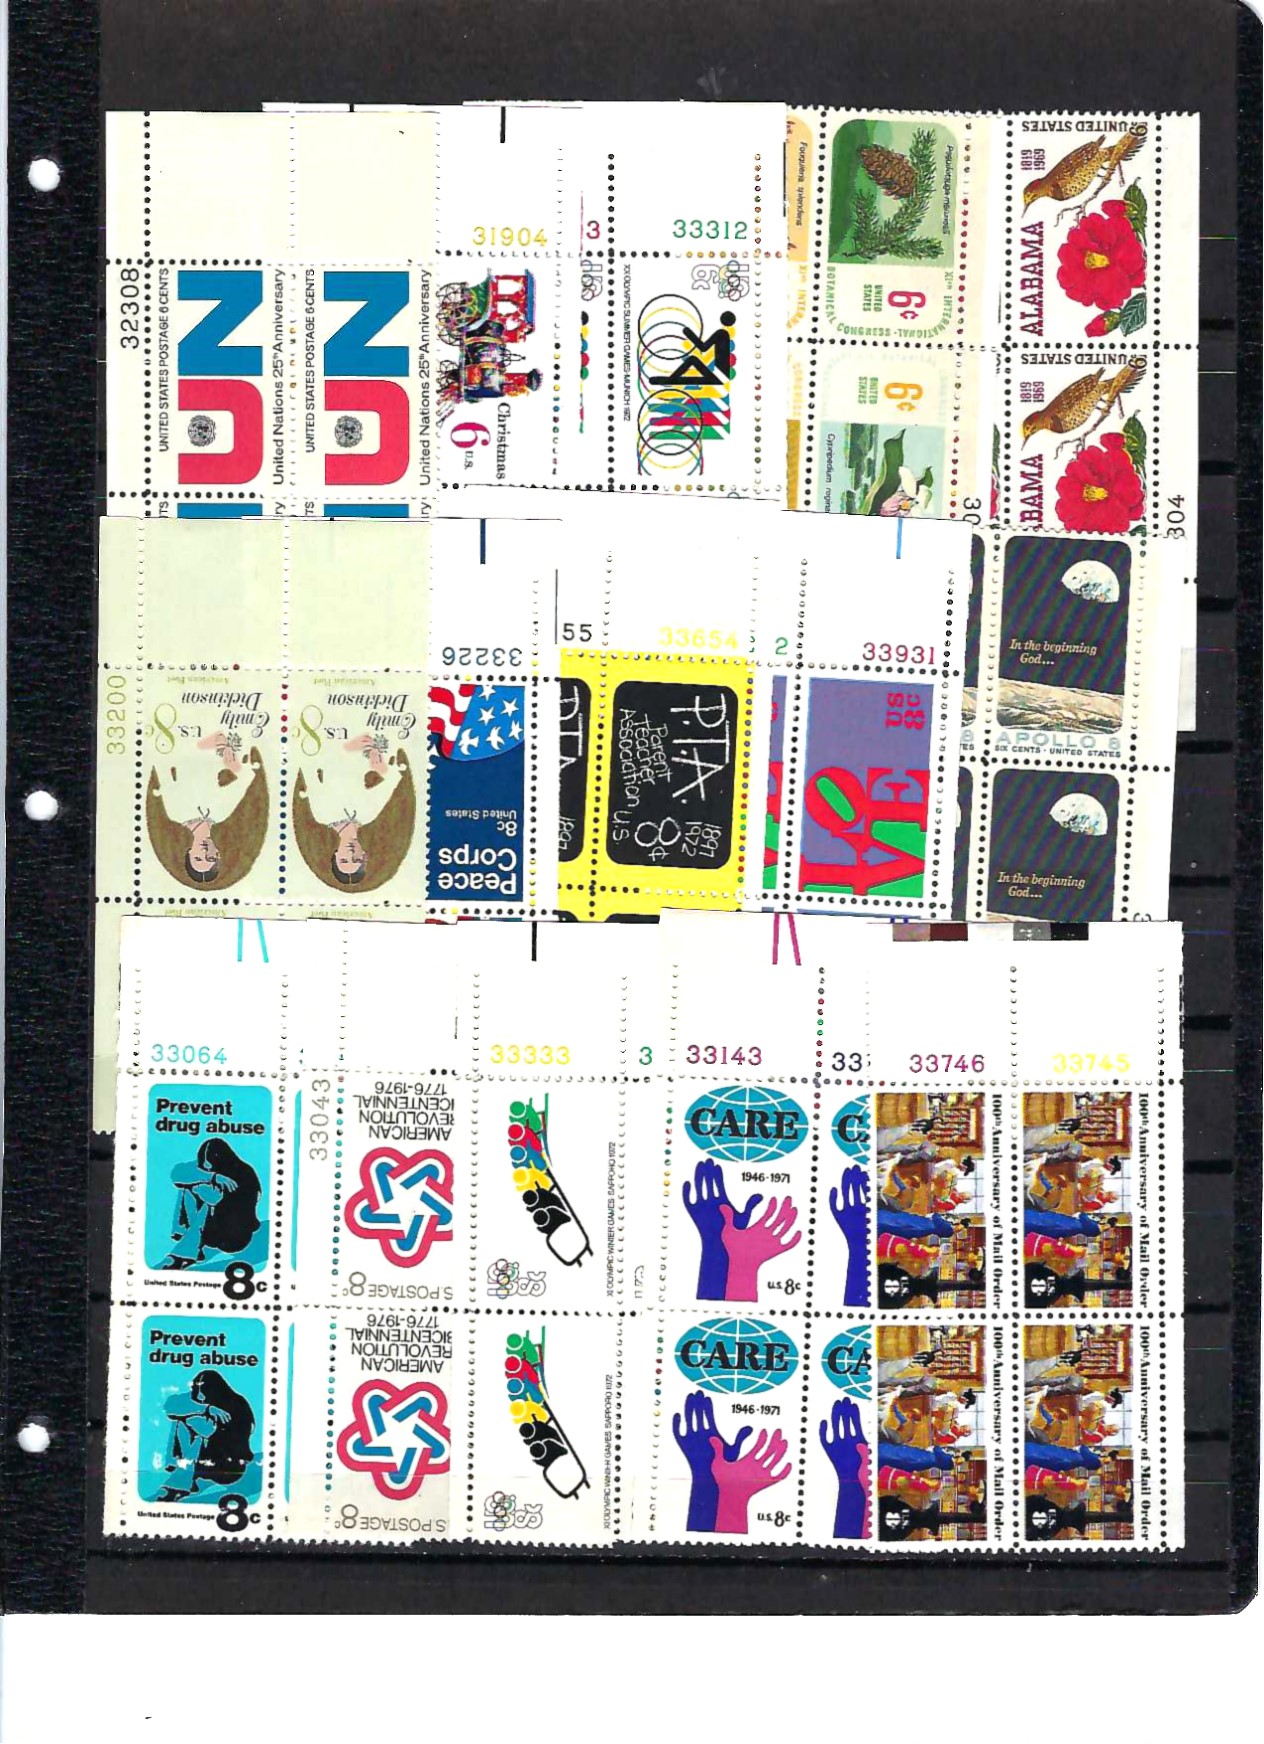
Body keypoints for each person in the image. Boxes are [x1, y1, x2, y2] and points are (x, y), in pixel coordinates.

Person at [291, 733, 415, 893]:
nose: (350, 853)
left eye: (344, 860)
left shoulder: (322, 813)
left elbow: (308, 768)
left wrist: (344, 748)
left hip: (328, 746)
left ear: (335, 855)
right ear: (364, 855)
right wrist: (381, 768)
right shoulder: (368, 814)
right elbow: (393, 779)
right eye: (356, 859)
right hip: (362, 748)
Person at [146, 733, 268, 889]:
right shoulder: (221, 813)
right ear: (217, 853)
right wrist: (235, 760)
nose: (204, 852)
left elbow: (162, 768)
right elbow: (244, 781)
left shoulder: (175, 812)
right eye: (210, 858)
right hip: (212, 746)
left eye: (198, 858)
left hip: (182, 746)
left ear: (189, 853)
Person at [153, 1368, 256, 1500]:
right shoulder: (199, 1399)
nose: (200, 1395)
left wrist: (199, 1421)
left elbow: (216, 1434)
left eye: (204, 1390)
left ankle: (183, 1477)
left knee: (189, 1420)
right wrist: (206, 1409)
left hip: (229, 1467)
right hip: (203, 1462)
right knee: (182, 1418)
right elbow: (170, 1406)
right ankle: (183, 1471)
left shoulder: (235, 1403)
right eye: (197, 1389)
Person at [161, 1137, 262, 1270]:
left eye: (211, 1165)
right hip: (212, 1230)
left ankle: (188, 1247)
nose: (208, 1168)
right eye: (204, 1165)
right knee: (188, 1183)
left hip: (235, 1237)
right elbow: (177, 1173)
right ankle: (189, 1242)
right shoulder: (211, 1171)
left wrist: (202, 1191)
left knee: (194, 1189)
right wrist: (213, 1177)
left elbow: (221, 1202)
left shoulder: (242, 1173)